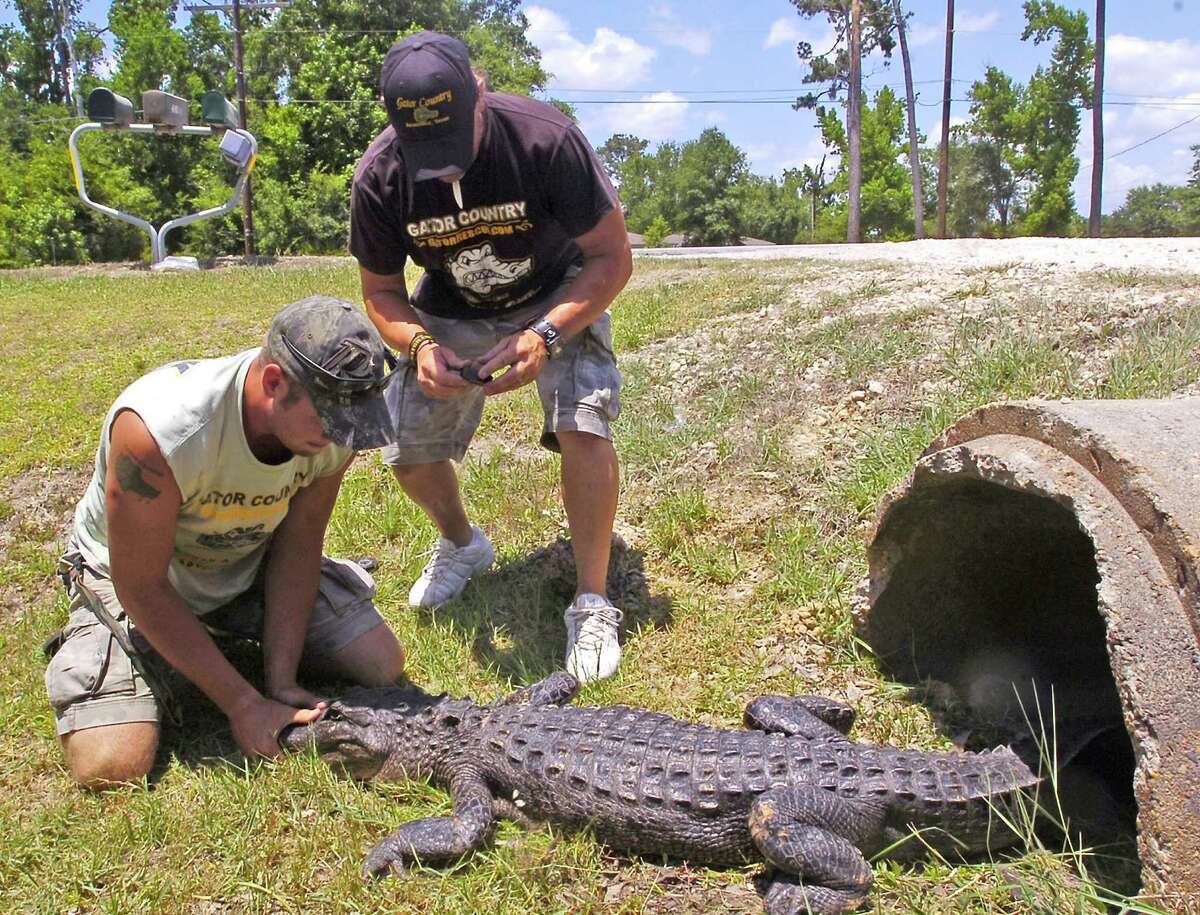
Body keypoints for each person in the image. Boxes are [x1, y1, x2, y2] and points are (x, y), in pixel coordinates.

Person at [350, 32, 633, 682]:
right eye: (429, 155)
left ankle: (592, 600)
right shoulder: (380, 176)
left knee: (583, 421)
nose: (445, 170)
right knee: (405, 442)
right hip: (452, 303)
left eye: (453, 144)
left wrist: (547, 335)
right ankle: (462, 544)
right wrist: (418, 345)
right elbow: (381, 291)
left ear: (480, 89)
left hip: (559, 291)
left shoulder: (544, 139)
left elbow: (612, 256)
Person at [43, 296, 407, 789]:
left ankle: (201, 648)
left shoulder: (331, 431)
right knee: (112, 765)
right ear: (275, 382)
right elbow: (142, 583)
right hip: (134, 576)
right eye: (329, 421)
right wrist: (243, 703)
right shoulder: (159, 432)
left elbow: (298, 545)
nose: (342, 436)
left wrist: (280, 679)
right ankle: (116, 641)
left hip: (242, 558)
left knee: (380, 664)